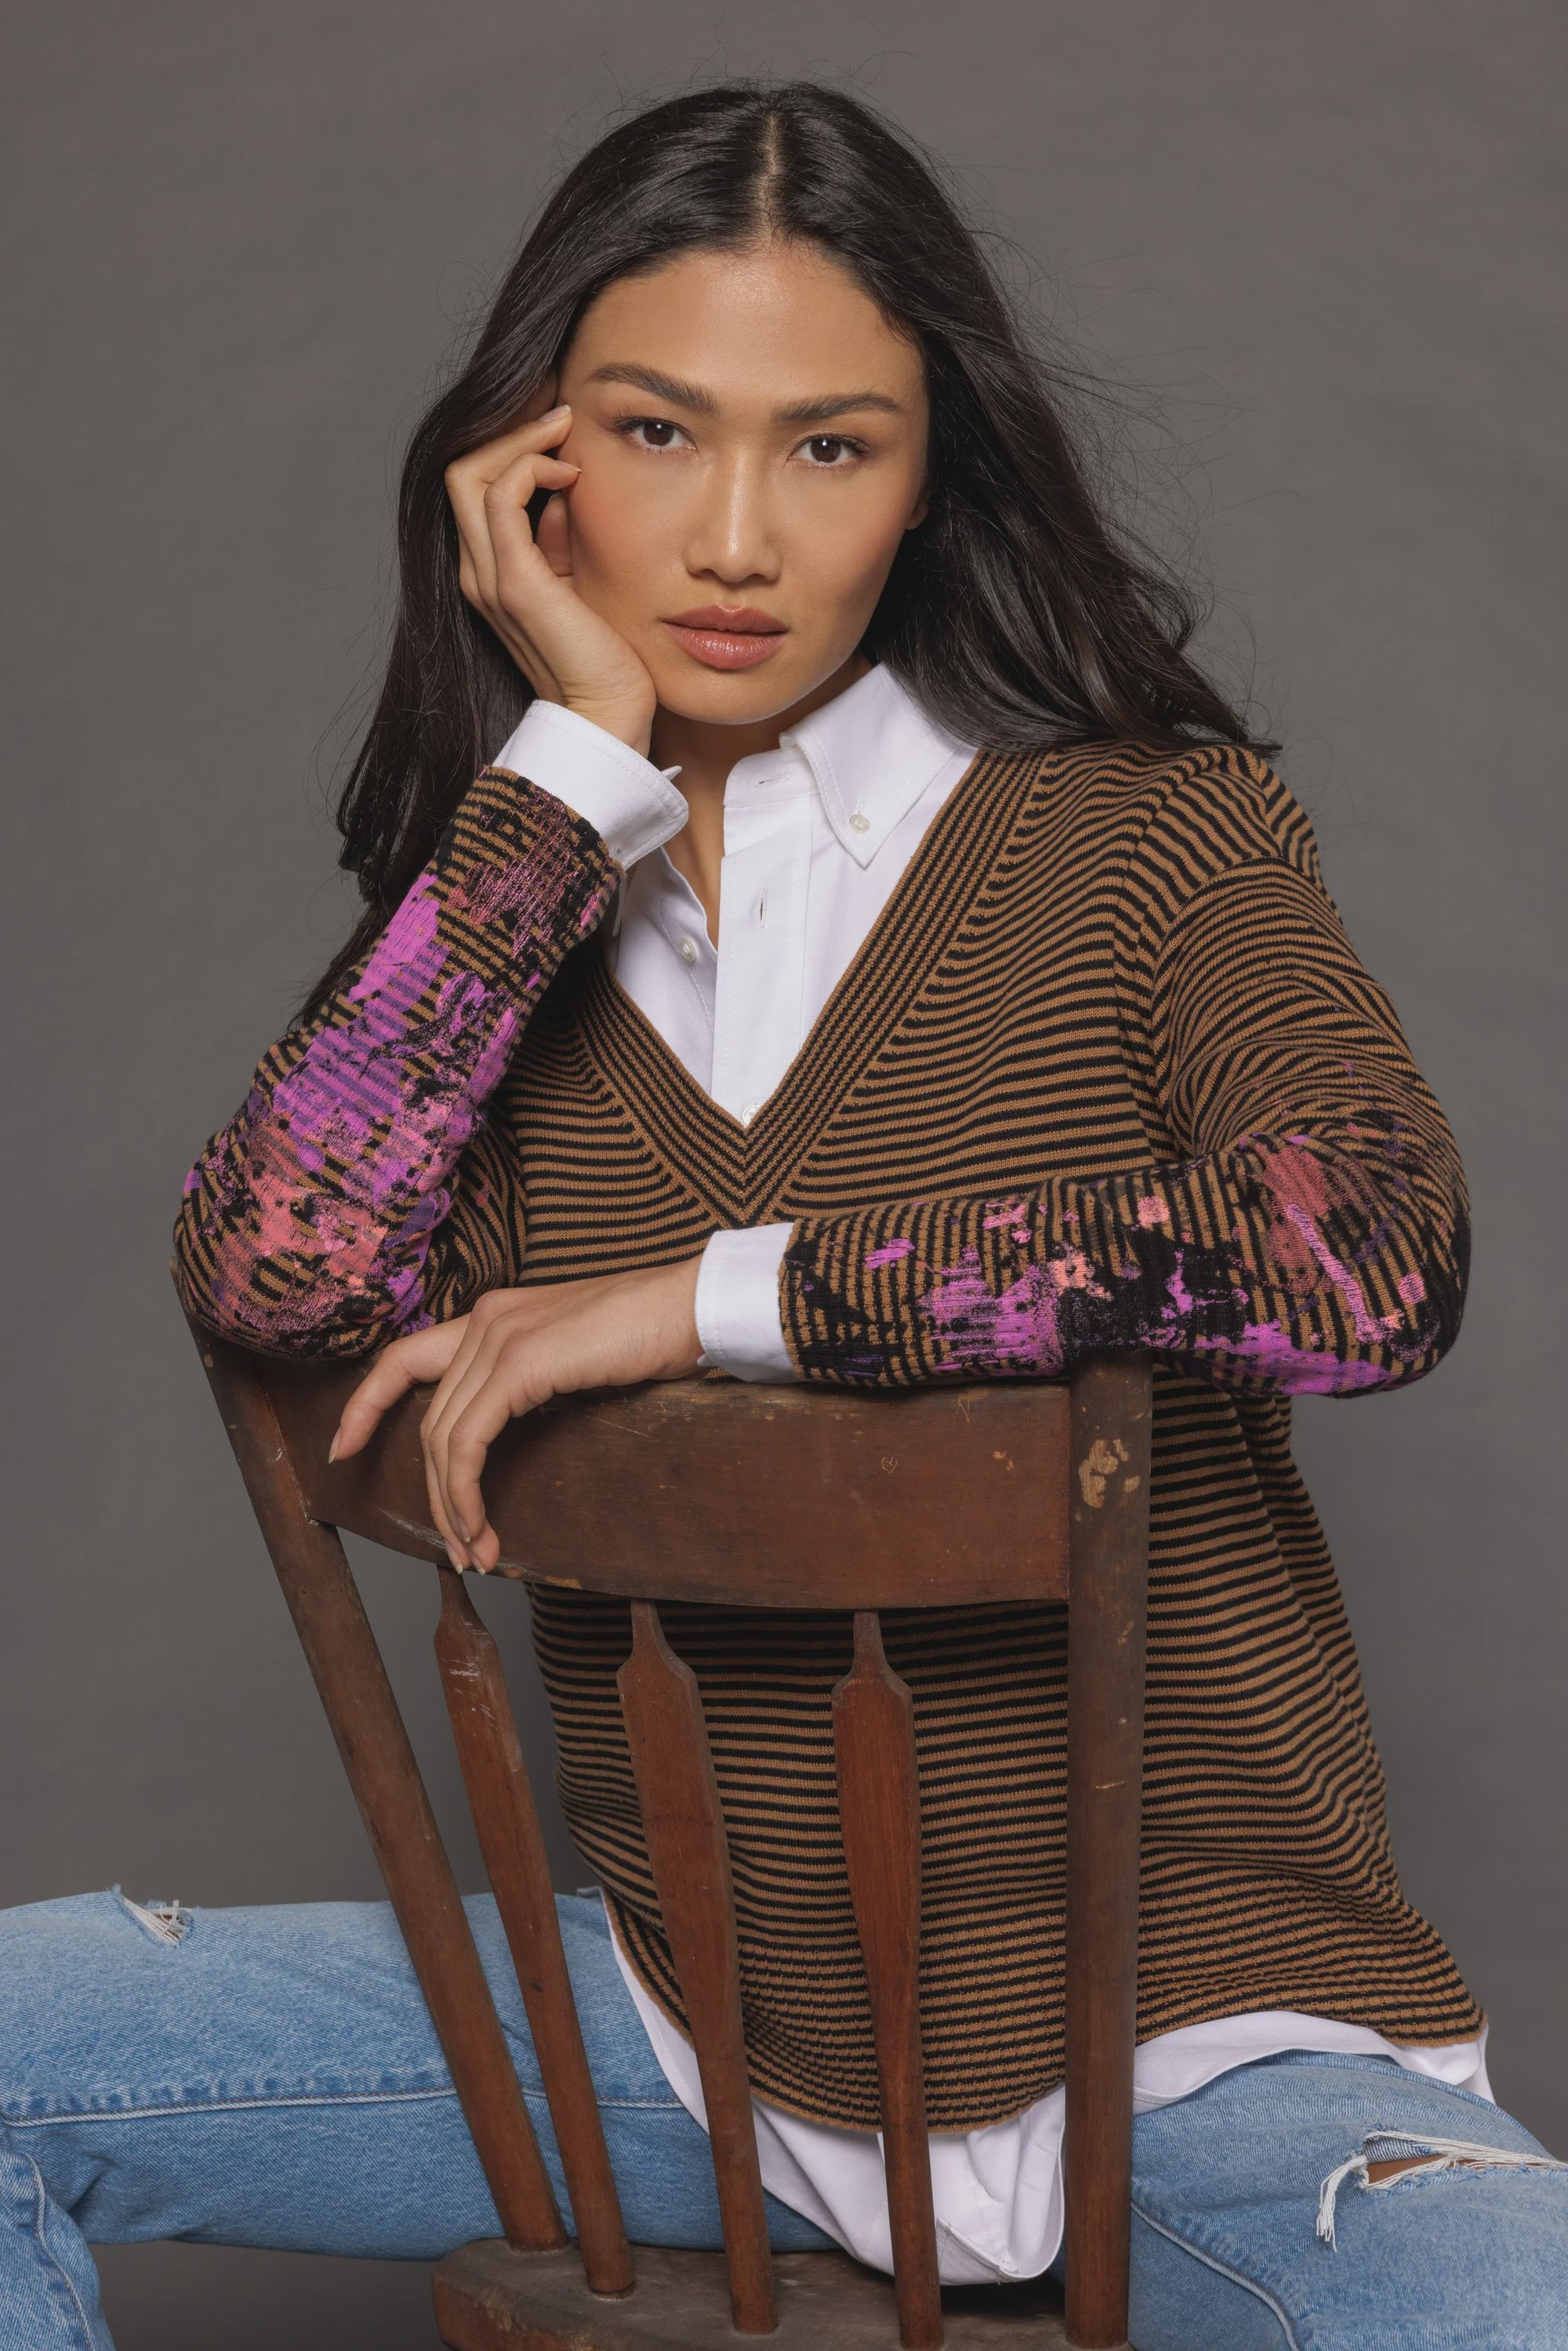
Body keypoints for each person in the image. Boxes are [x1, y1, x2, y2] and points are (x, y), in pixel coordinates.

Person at [3, 79, 1562, 2351]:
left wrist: (712, 1302)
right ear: (533, 471)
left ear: (934, 483)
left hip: (1206, 2048)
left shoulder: (1149, 836)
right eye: (656, 436)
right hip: (687, 2054)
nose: (736, 535)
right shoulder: (511, 929)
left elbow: (1370, 1255)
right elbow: (271, 1269)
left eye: (831, 448)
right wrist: (565, 770)